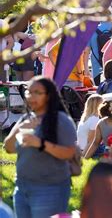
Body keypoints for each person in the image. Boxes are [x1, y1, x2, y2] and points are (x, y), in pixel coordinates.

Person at [4, 77, 77, 217]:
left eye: (37, 92)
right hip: (22, 188)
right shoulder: (26, 119)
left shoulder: (61, 120)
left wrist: (41, 144)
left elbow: (69, 153)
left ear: (49, 95)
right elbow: (9, 148)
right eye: (28, 92)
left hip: (50, 189)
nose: (31, 96)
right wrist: (18, 129)